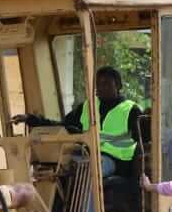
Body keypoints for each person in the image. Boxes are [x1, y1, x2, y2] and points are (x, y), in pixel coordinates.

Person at [13, 66, 142, 178]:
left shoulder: (131, 110)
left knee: (88, 171)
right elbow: (62, 125)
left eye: (106, 84)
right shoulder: (88, 106)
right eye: (98, 84)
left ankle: (88, 207)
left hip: (116, 160)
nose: (101, 88)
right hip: (86, 153)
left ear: (118, 85)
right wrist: (31, 119)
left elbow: (142, 140)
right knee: (55, 167)